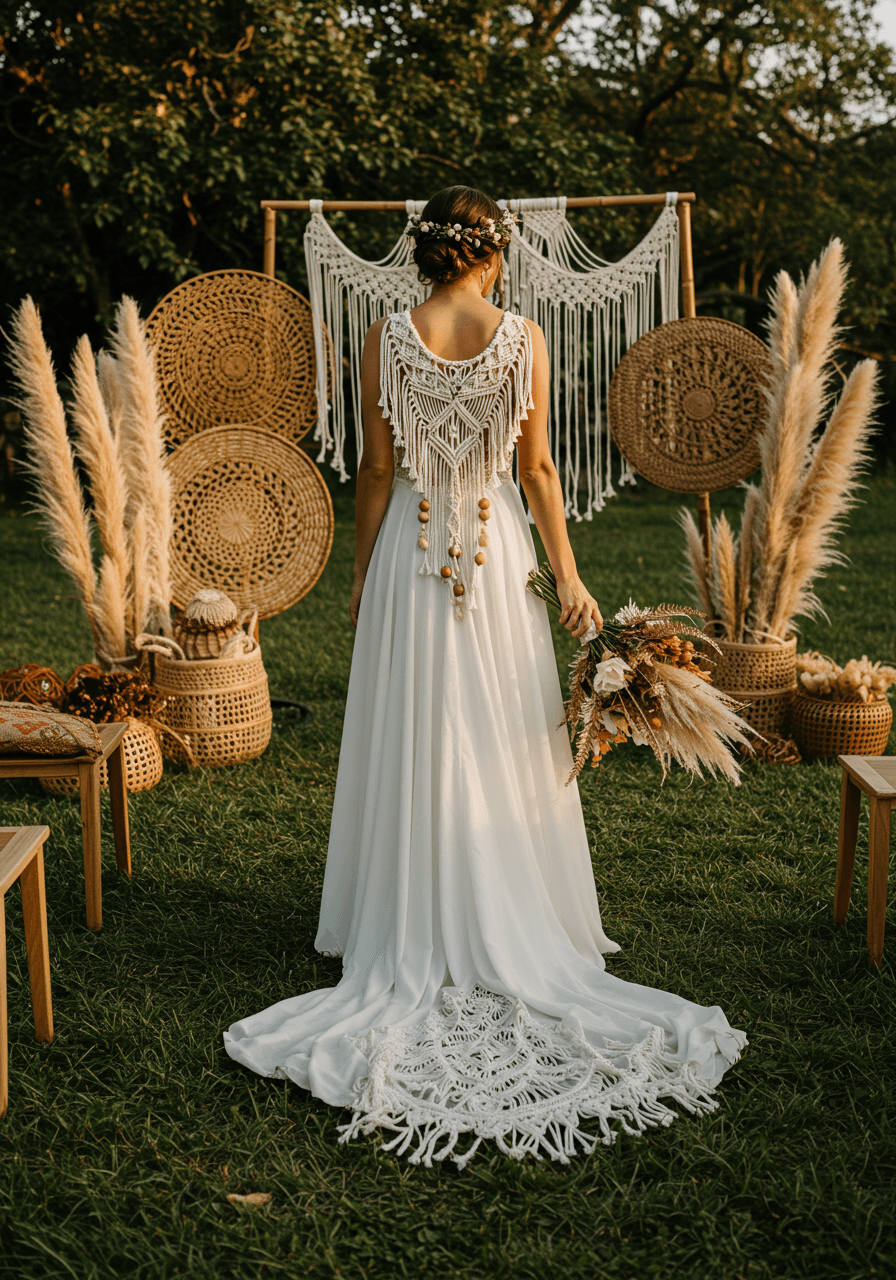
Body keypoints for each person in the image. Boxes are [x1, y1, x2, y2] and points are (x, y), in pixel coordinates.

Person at [224, 186, 746, 1167]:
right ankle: (509, 903)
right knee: (498, 729)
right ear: (493, 254)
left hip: (412, 556)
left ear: (421, 254)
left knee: (416, 730)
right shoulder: (523, 338)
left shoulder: (385, 335)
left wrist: (360, 573)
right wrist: (571, 573)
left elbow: (374, 469)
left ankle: (408, 908)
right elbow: (538, 470)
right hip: (497, 553)